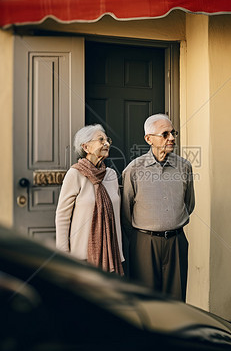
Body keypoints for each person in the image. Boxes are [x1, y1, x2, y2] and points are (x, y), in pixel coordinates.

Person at [122, 114, 195, 300]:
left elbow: (189, 203)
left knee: (177, 301)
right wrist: (143, 238)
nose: (171, 138)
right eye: (165, 134)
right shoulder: (134, 169)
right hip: (144, 244)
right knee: (146, 302)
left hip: (177, 242)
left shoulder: (184, 167)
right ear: (149, 139)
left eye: (173, 133)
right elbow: (125, 213)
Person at [55, 124, 124, 275]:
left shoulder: (111, 175)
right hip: (81, 254)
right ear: (86, 147)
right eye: (101, 140)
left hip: (112, 252)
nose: (106, 144)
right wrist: (64, 253)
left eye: (107, 140)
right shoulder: (75, 174)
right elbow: (62, 216)